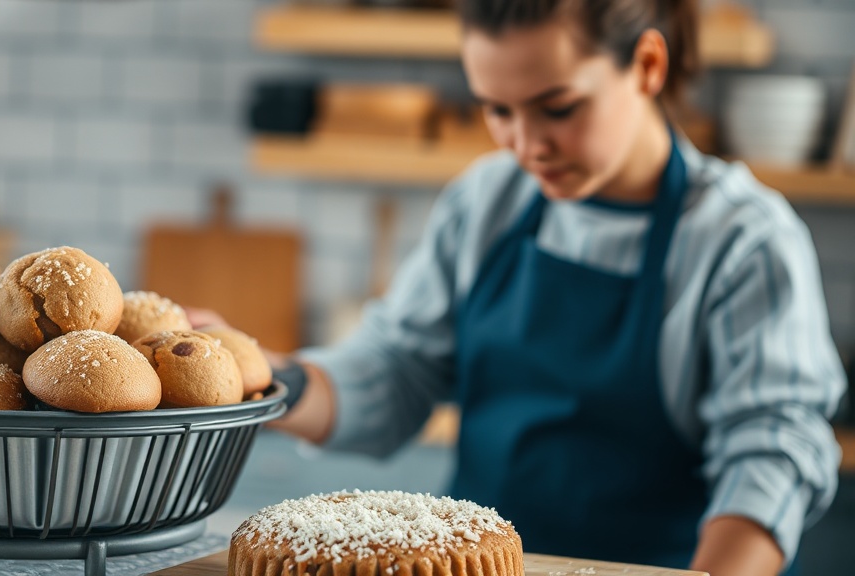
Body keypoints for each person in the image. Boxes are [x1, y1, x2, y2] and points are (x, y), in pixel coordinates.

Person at [190, 0, 845, 574]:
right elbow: (397, 372)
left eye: (557, 107)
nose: (527, 145)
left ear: (647, 65)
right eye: (497, 109)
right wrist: (271, 377)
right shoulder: (488, 200)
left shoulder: (741, 240)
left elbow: (773, 451)